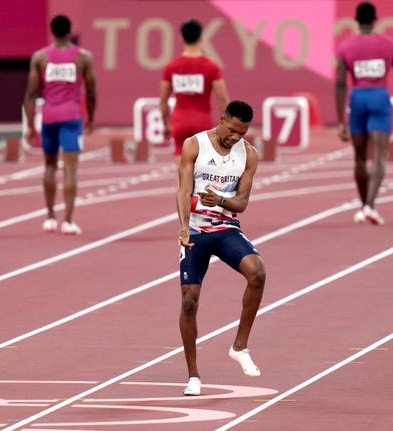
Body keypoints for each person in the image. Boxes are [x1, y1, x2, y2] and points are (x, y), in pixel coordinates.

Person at [176, 100, 266, 396]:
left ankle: (239, 347)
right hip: (196, 230)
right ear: (221, 119)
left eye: (242, 133)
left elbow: (242, 203)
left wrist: (222, 202)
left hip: (225, 227)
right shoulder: (195, 145)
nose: (235, 137)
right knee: (190, 301)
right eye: (231, 131)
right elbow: (182, 190)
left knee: (258, 273)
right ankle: (193, 376)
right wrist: (182, 225)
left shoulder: (248, 155)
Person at [335, 1, 393, 225]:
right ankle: (370, 205)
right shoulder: (390, 44)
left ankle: (363, 204)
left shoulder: (346, 47)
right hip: (379, 98)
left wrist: (340, 121)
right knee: (379, 155)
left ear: (357, 21)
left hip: (357, 99)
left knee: (359, 157)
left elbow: (339, 84)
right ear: (375, 20)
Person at [24, 14, 97, 235]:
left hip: (49, 117)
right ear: (69, 31)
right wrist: (91, 117)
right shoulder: (83, 58)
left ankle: (49, 217)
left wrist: (29, 125)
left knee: (49, 166)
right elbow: (91, 91)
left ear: (52, 31)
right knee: (71, 170)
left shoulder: (40, 57)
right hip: (71, 118)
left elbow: (30, 94)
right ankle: (68, 220)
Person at [160, 19, 230, 167]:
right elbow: (223, 99)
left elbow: (163, 100)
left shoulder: (171, 67)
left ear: (181, 37)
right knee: (203, 175)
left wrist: (165, 123)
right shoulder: (212, 67)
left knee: (182, 175)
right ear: (201, 38)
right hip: (202, 121)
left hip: (179, 122)